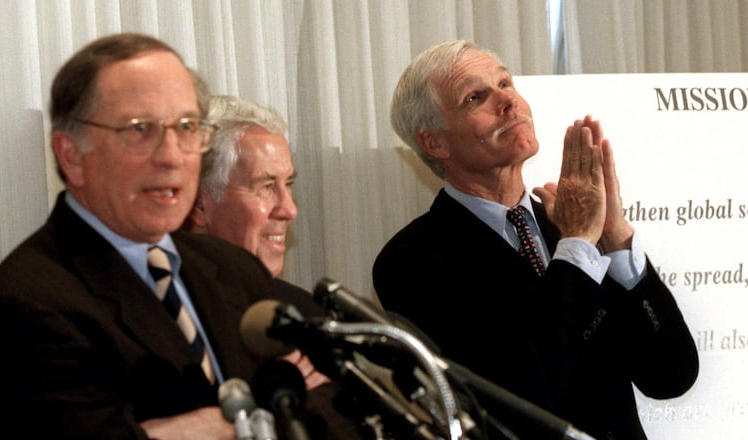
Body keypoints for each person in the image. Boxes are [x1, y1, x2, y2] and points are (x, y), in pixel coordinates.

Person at [372, 40, 699, 439]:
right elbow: (521, 390)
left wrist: (615, 239)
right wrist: (578, 243)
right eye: (476, 96)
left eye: (505, 83)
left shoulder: (570, 225)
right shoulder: (411, 260)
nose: (506, 101)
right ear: (435, 142)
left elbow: (671, 375)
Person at [0, 33, 275, 440]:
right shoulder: (23, 306)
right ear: (71, 155)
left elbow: (327, 406)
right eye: (140, 129)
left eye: (186, 127)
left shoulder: (233, 268)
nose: (170, 156)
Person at [183, 95, 327, 390]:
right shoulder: (162, 315)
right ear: (198, 204)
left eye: (288, 185)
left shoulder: (305, 314)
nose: (289, 209)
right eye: (265, 186)